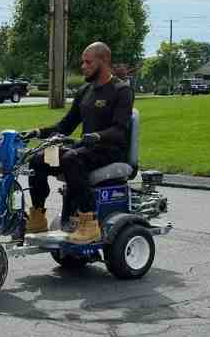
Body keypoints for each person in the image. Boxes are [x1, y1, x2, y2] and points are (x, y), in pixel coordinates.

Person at [21, 42, 134, 244]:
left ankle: (89, 223)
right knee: (38, 160)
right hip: (87, 149)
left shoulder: (121, 90)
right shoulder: (85, 91)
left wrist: (97, 136)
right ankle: (38, 218)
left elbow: (120, 130)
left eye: (88, 62)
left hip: (111, 151)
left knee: (72, 158)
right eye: (83, 62)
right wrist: (37, 132)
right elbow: (65, 126)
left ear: (104, 61)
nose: (83, 66)